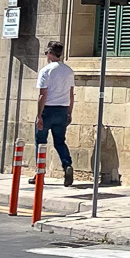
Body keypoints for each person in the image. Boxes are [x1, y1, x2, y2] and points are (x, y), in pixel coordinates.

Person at [36, 40, 77, 188]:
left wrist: (39, 115)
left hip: (48, 109)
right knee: (60, 141)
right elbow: (71, 94)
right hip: (62, 109)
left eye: (47, 53)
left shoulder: (46, 71)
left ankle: (39, 173)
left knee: (40, 141)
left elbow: (43, 94)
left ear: (50, 54)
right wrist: (69, 112)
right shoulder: (68, 71)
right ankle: (67, 165)